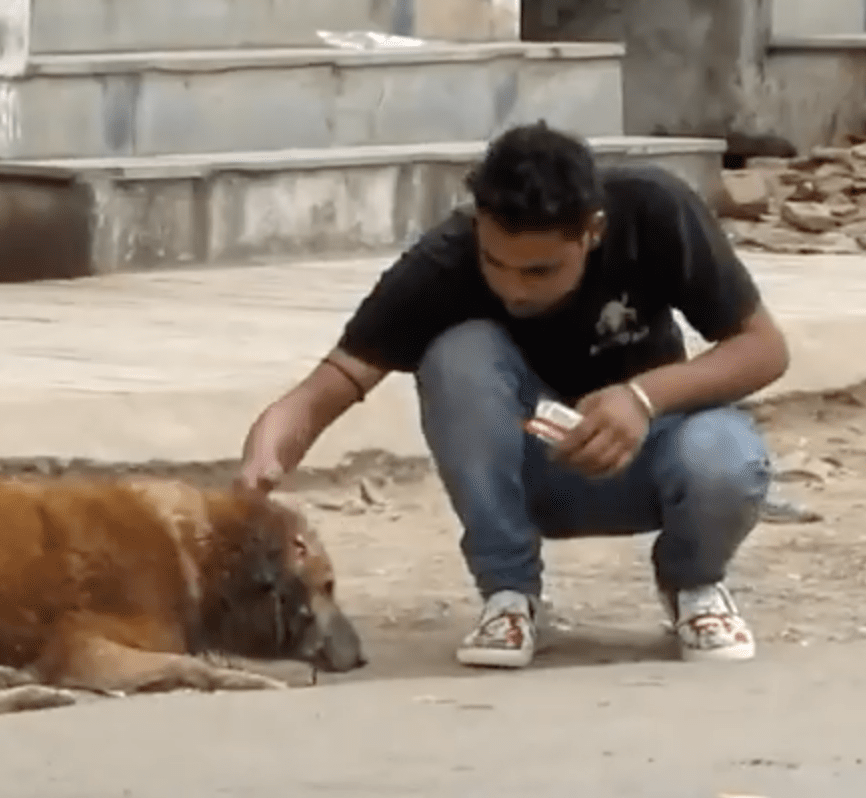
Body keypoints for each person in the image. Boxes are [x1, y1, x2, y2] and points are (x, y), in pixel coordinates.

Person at [235, 122, 790, 668]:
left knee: (727, 453)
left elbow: (765, 348)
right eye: (494, 263)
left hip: (649, 461)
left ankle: (694, 588)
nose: (513, 287)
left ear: (593, 231)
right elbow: (319, 393)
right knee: (457, 354)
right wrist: (266, 455)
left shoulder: (654, 210)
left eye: (540, 271)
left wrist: (641, 399)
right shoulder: (442, 262)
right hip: (526, 477)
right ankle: (510, 596)